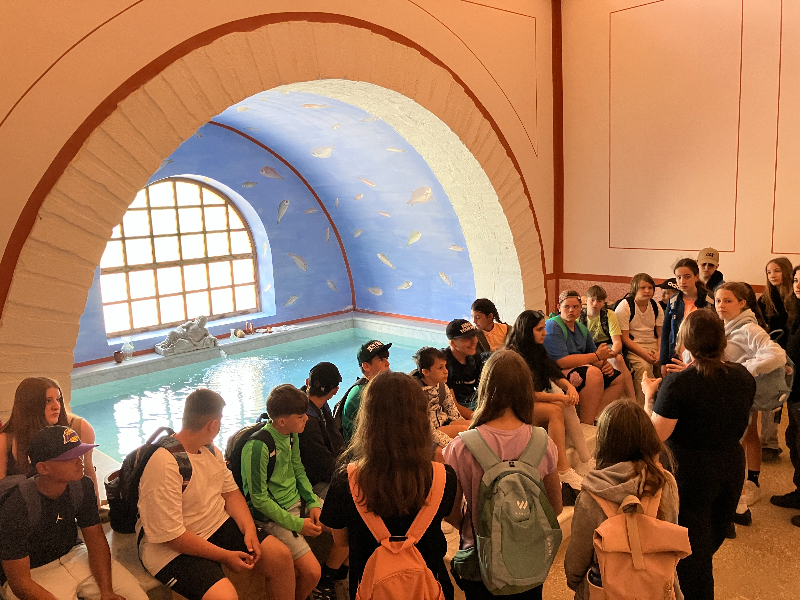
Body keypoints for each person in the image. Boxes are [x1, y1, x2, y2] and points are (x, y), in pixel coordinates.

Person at [137, 388, 294, 600]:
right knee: (224, 596)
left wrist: (249, 529)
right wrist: (225, 556)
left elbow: (231, 493)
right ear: (213, 424)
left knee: (280, 557)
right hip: (170, 548)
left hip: (215, 524)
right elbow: (173, 537)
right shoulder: (165, 465)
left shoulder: (210, 450)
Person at [643, 309, 755, 600]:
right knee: (708, 545)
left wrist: (648, 396)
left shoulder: (679, 384)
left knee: (694, 561)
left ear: (686, 343)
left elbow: (652, 438)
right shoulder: (743, 376)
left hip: (691, 475)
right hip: (730, 469)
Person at [321, 371, 462, 600]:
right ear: (421, 418)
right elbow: (452, 518)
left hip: (371, 589)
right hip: (431, 587)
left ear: (367, 420)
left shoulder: (346, 480)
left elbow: (341, 541)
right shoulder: (444, 477)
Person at [444, 349, 562, 600]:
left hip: (480, 561)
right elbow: (556, 507)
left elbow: (451, 512)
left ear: (485, 388)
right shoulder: (543, 442)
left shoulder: (461, 446)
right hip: (529, 558)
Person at [0, 425, 147, 600]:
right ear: (43, 468)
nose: (80, 460)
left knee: (136, 596)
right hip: (34, 572)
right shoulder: (16, 505)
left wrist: (107, 591)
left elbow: (96, 541)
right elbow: (20, 582)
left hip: (74, 554)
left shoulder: (82, 486)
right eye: (69, 457)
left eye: (80, 452)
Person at [564, 400, 681, 600]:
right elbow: (672, 540)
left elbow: (575, 565)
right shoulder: (665, 482)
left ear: (605, 442)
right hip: (656, 589)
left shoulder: (591, 496)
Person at [714, 282, 787, 528]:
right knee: (737, 440)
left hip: (741, 394)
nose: (721, 306)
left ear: (742, 303)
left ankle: (748, 489)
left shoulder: (749, 329)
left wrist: (744, 370)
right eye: (718, 301)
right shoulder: (724, 326)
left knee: (743, 440)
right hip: (727, 395)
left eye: (728, 301)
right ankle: (736, 496)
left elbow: (776, 354)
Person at [241, 385, 323, 600]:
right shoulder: (258, 446)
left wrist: (313, 502)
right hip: (274, 516)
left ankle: (332, 580)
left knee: (345, 522)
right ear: (282, 421)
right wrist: (297, 524)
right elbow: (259, 499)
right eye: (300, 416)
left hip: (298, 502)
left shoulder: (292, 435)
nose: (306, 419)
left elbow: (298, 469)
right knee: (312, 572)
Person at [505, 310, 590, 497]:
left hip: (530, 401)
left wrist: (569, 388)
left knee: (565, 404)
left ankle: (585, 460)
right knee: (555, 410)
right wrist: (560, 397)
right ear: (527, 331)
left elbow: (553, 372)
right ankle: (563, 469)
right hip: (514, 406)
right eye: (539, 329)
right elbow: (526, 394)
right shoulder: (513, 355)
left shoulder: (536, 348)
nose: (545, 333)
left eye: (544, 328)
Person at [0, 378, 101, 508]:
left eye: (58, 399)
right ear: (30, 406)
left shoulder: (79, 428)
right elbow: (2, 490)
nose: (56, 406)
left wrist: (97, 509)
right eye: (48, 401)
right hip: (24, 510)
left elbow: (88, 471)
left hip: (69, 507)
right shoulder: (6, 440)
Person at [543, 291, 625, 425]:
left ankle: (597, 417)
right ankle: (586, 424)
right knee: (593, 374)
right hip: (555, 373)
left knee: (617, 377)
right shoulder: (553, 326)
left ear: (581, 308)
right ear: (559, 307)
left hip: (579, 368)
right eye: (567, 306)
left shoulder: (581, 328)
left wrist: (604, 365)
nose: (571, 310)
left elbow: (594, 354)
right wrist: (596, 357)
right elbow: (562, 362)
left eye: (575, 307)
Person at [770, 264, 800, 526]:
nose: (798, 285)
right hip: (796, 390)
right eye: (797, 280)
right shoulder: (795, 312)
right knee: (795, 442)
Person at [615, 274, 664, 407]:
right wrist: (644, 354)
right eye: (643, 288)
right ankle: (643, 407)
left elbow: (661, 335)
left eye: (650, 288)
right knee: (644, 368)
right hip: (634, 346)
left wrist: (660, 352)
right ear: (635, 288)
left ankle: (663, 404)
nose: (647, 291)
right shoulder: (625, 306)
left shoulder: (656, 306)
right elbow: (624, 338)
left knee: (666, 364)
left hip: (654, 344)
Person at [581, 286, 635, 400]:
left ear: (603, 302)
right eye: (592, 300)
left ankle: (632, 398)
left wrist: (612, 353)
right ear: (586, 300)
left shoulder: (609, 315)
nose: (595, 303)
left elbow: (617, 342)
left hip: (606, 345)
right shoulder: (580, 317)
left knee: (618, 359)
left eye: (599, 301)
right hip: (588, 348)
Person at [299, 362, 345, 499]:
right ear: (335, 390)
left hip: (327, 468)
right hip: (316, 482)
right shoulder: (306, 421)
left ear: (308, 382)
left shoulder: (316, 404)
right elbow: (324, 466)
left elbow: (335, 439)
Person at [411, 347, 470, 449]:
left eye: (445, 366)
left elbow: (454, 414)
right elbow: (429, 431)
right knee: (464, 435)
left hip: (443, 424)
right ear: (426, 372)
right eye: (440, 368)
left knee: (471, 426)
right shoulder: (416, 394)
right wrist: (453, 445)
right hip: (428, 433)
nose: (446, 371)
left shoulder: (442, 387)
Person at [660, 258, 710, 374]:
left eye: (687, 277)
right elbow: (666, 331)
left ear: (696, 277)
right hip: (676, 357)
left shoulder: (709, 301)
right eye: (679, 277)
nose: (682, 281)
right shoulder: (673, 301)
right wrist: (663, 362)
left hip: (699, 359)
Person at [340, 340, 391, 442]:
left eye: (387, 358)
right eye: (381, 360)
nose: (387, 363)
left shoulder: (376, 387)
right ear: (366, 366)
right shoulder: (361, 394)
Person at [444, 319, 484, 416]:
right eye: (466, 339)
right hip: (452, 409)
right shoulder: (443, 364)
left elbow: (483, 389)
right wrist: (479, 419)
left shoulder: (475, 358)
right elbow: (452, 405)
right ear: (453, 343)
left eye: (474, 336)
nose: (474, 341)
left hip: (471, 402)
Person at [757, 257, 794, 348]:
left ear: (787, 272)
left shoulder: (795, 296)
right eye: (769, 272)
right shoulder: (765, 299)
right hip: (771, 343)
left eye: (777, 271)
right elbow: (758, 321)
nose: (772, 276)